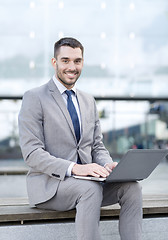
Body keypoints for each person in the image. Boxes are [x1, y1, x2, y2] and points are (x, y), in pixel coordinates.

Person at [18, 37, 142, 240]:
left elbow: (96, 145)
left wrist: (108, 165)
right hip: (50, 187)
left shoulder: (88, 100)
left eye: (77, 61)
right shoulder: (35, 98)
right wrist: (76, 168)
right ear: (54, 62)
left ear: (82, 63)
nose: (72, 67)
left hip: (89, 182)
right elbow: (32, 154)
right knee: (90, 189)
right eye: (65, 60)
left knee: (132, 187)